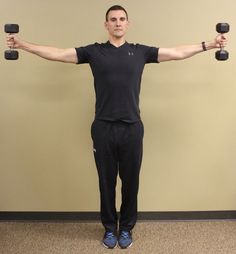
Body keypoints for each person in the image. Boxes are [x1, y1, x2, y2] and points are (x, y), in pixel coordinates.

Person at [6, 5, 227, 249]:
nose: (118, 23)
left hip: (132, 128)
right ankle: (110, 229)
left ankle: (127, 230)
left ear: (128, 24)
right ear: (106, 25)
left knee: (131, 182)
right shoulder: (94, 52)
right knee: (106, 181)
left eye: (122, 19)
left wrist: (209, 44)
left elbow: (176, 52)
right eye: (113, 19)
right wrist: (23, 45)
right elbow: (58, 53)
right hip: (103, 128)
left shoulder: (140, 52)